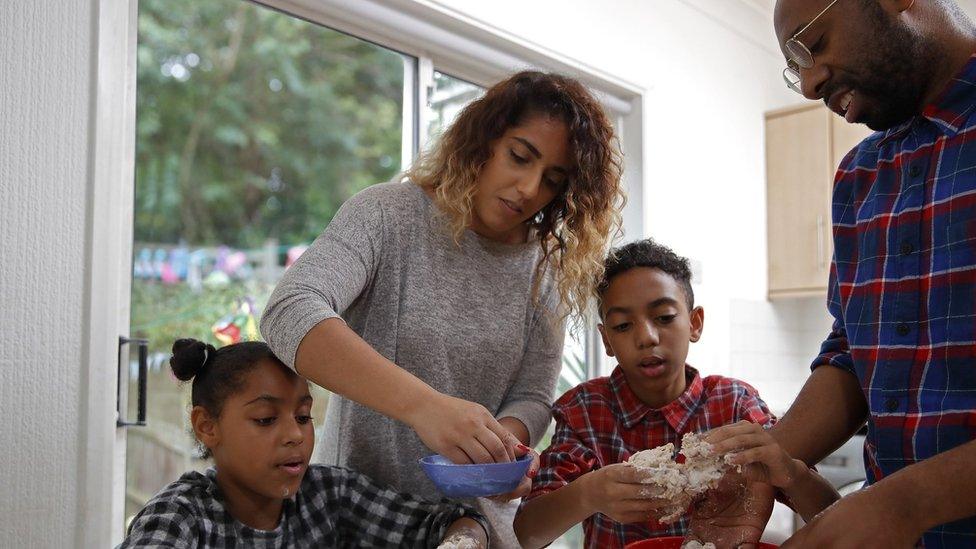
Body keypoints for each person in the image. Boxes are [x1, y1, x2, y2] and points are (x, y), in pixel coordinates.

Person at [259, 70, 624, 545]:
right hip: (355, 520)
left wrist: (496, 451)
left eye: (553, 180)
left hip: (479, 531)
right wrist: (425, 408)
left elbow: (533, 397)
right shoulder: (387, 215)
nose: (529, 188)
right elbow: (289, 310)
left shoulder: (544, 270)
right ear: (483, 141)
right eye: (519, 157)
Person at [691, 1, 976, 547]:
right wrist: (767, 461)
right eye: (794, 66)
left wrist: (905, 503)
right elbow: (851, 354)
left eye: (814, 43)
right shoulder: (860, 176)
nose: (809, 84)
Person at [512, 239, 835, 548]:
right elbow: (527, 534)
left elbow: (827, 512)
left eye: (664, 318)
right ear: (606, 341)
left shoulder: (735, 404)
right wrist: (588, 494)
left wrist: (789, 470)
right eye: (623, 325)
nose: (647, 337)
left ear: (695, 323)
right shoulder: (584, 410)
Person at [119, 339, 489, 548]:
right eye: (265, 419)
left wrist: (462, 542)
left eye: (303, 417)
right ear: (207, 426)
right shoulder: (179, 516)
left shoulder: (330, 495)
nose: (295, 435)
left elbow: (456, 523)